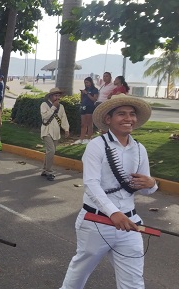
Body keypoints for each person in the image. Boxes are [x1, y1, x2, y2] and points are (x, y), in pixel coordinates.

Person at [59, 94, 157, 289]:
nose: (128, 118)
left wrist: (152, 184)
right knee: (79, 275)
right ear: (108, 119)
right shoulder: (97, 146)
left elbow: (145, 190)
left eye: (131, 114)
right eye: (121, 114)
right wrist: (113, 213)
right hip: (96, 222)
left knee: (134, 283)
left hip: (129, 224)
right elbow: (91, 184)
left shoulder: (139, 149)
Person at [40, 87, 70, 181]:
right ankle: (49, 171)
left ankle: (44, 170)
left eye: (58, 95)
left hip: (56, 132)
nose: (57, 97)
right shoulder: (44, 105)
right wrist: (53, 107)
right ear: (51, 96)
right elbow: (45, 117)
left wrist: (66, 129)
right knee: (51, 151)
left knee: (49, 152)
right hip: (47, 131)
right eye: (55, 95)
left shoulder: (61, 107)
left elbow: (63, 118)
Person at [73, 77, 99, 145]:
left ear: (91, 82)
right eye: (85, 83)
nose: (86, 84)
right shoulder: (85, 89)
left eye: (87, 82)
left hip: (90, 107)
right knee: (83, 124)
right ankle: (81, 138)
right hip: (83, 107)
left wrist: (87, 93)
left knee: (89, 123)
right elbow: (82, 100)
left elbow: (94, 99)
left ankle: (89, 138)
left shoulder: (95, 90)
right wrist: (82, 94)